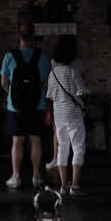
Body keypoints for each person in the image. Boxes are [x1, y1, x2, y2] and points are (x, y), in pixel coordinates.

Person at [0, 21, 51, 189]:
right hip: (37, 104)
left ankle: (16, 176)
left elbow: (4, 82)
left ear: (19, 36)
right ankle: (36, 176)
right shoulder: (44, 57)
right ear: (34, 36)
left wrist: (12, 94)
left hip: (15, 106)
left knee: (17, 141)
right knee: (36, 140)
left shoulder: (9, 56)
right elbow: (46, 83)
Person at [46, 34, 88, 195]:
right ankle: (75, 186)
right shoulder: (72, 71)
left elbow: (50, 96)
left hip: (59, 115)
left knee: (62, 148)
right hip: (74, 113)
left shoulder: (53, 73)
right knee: (78, 148)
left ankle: (63, 186)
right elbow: (82, 90)